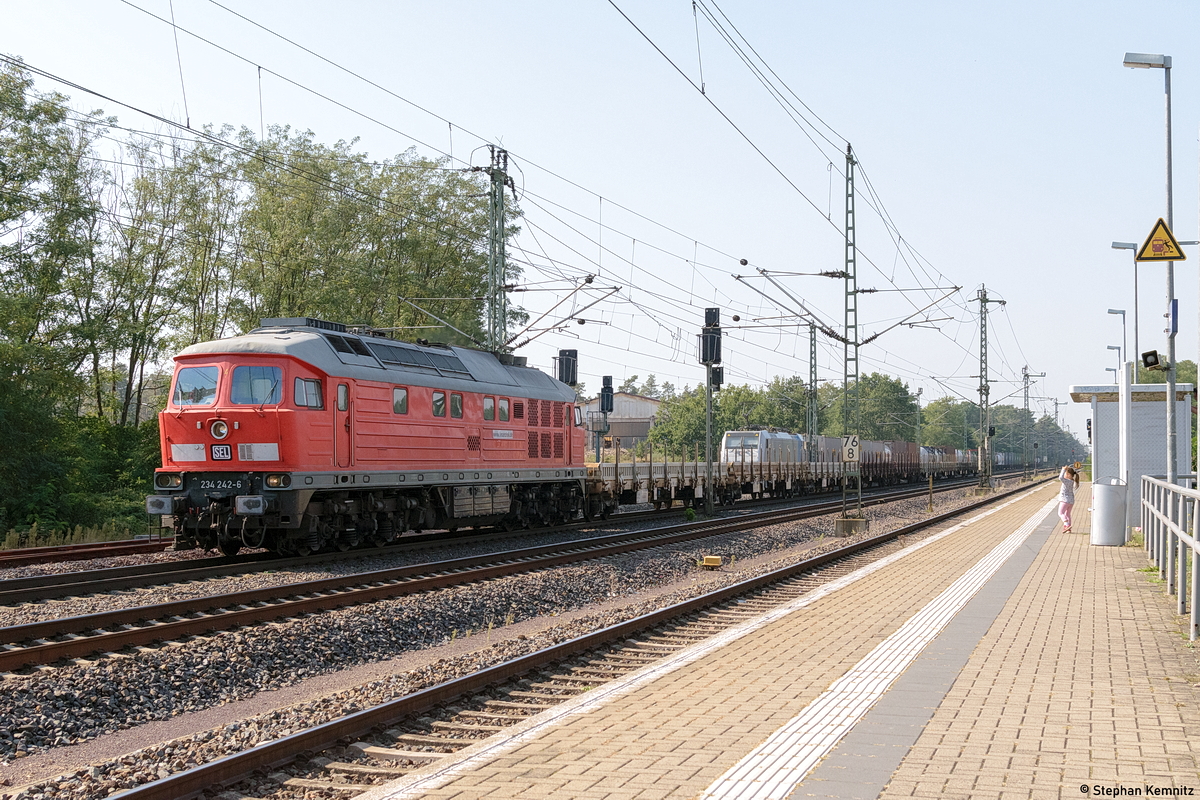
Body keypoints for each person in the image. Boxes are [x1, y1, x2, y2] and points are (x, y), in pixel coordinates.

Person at [1058, 465, 1080, 532]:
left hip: (1064, 500)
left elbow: (1060, 478)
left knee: (1060, 513)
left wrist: (1063, 469)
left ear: (1068, 474)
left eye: (1065, 473)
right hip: (1071, 501)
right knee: (1068, 514)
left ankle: (1066, 524)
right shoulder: (1072, 481)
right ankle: (1069, 528)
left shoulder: (1066, 481)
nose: (1064, 474)